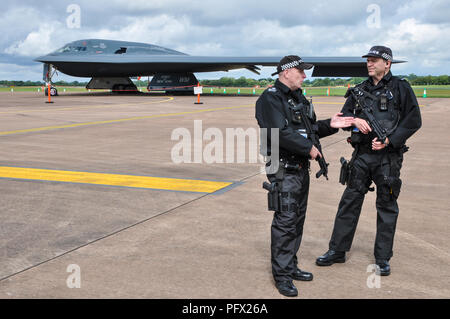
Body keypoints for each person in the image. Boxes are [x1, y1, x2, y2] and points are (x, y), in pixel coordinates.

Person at [316, 46, 422, 276]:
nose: (369, 64)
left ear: (388, 64)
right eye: (368, 60)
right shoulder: (359, 90)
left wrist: (390, 141)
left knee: (386, 206)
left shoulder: (401, 88)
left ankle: (382, 258)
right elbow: (342, 119)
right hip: (362, 156)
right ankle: (337, 250)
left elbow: (413, 121)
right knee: (349, 202)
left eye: (374, 60)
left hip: (388, 158)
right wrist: (354, 120)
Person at [255, 55, 354, 297]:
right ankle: (282, 276)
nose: (304, 75)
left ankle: (290, 265)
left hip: (300, 169)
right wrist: (309, 149)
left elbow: (310, 130)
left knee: (297, 220)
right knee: (285, 222)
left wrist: (332, 124)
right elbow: (280, 132)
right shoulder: (270, 99)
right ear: (286, 72)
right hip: (283, 168)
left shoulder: (297, 99)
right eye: (300, 71)